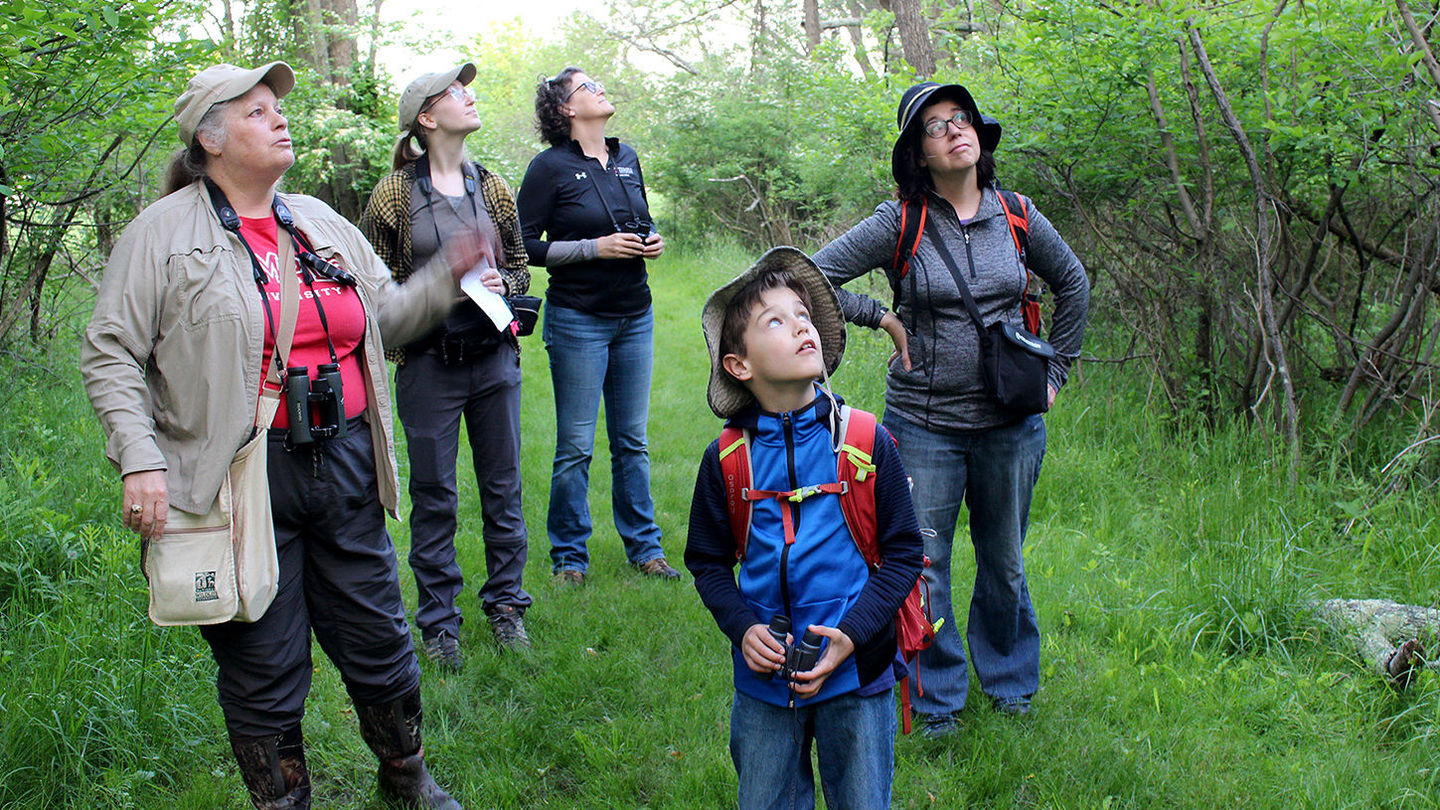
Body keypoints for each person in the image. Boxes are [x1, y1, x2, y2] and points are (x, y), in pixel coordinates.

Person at [81, 62, 483, 809]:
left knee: (380, 636)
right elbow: (110, 351)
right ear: (209, 139)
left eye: (278, 109)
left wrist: (445, 279)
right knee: (262, 659)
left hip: (346, 458)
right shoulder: (161, 235)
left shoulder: (320, 221)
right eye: (256, 111)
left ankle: (407, 780)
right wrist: (140, 459)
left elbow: (384, 317)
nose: (278, 119)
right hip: (237, 477)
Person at [812, 81, 1091, 736]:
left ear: (978, 136)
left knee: (1005, 560)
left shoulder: (1017, 213)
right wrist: (879, 316)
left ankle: (1012, 688)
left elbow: (1073, 281)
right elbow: (808, 273)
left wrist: (1056, 372)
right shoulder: (899, 221)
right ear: (920, 153)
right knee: (924, 565)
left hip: (1010, 425)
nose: (953, 131)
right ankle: (936, 704)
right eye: (936, 126)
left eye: (961, 120)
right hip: (924, 424)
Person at [685, 248, 924, 809]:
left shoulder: (867, 442)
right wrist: (743, 627)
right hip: (765, 681)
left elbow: (905, 554)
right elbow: (708, 562)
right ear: (739, 365)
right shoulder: (727, 459)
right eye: (776, 320)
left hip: (859, 672)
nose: (800, 327)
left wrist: (854, 632)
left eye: (804, 315)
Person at [359, 64, 533, 667]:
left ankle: (508, 606)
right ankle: (439, 623)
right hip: (429, 365)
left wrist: (498, 280)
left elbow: (519, 270)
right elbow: (372, 288)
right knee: (434, 493)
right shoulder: (394, 194)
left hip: (493, 359)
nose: (471, 95)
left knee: (503, 488)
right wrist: (439, 285)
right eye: (456, 91)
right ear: (427, 118)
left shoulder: (495, 189)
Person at [516, 66, 679, 585]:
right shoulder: (548, 168)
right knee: (576, 447)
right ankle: (569, 558)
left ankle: (645, 549)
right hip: (578, 319)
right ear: (565, 109)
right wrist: (593, 248)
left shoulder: (626, 156)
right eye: (587, 86)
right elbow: (521, 244)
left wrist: (650, 239)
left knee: (632, 441)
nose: (600, 88)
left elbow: (641, 218)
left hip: (636, 314)